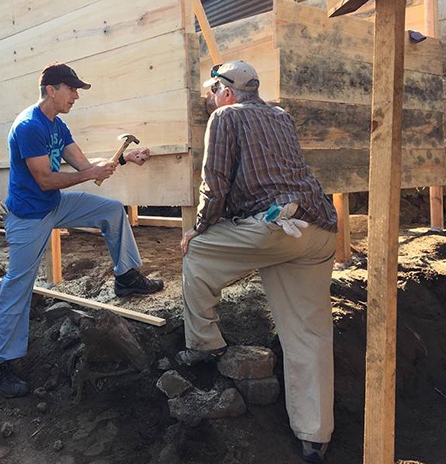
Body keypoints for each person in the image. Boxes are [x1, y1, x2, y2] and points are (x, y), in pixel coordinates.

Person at [177, 61, 338, 463]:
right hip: (318, 230)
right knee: (308, 333)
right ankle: (314, 438)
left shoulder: (225, 116)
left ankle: (204, 345)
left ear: (226, 92)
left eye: (214, 91)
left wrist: (199, 226)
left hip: (274, 227)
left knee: (196, 253)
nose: (212, 99)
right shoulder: (281, 116)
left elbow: (214, 183)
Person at [0, 62, 164, 398]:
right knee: (18, 285)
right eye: (72, 89)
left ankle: (126, 277)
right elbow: (45, 178)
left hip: (53, 204)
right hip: (28, 216)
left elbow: (85, 167)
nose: (76, 96)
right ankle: (0, 364)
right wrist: (88, 174)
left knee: (111, 210)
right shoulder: (29, 126)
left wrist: (123, 160)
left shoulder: (57, 126)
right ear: (52, 89)